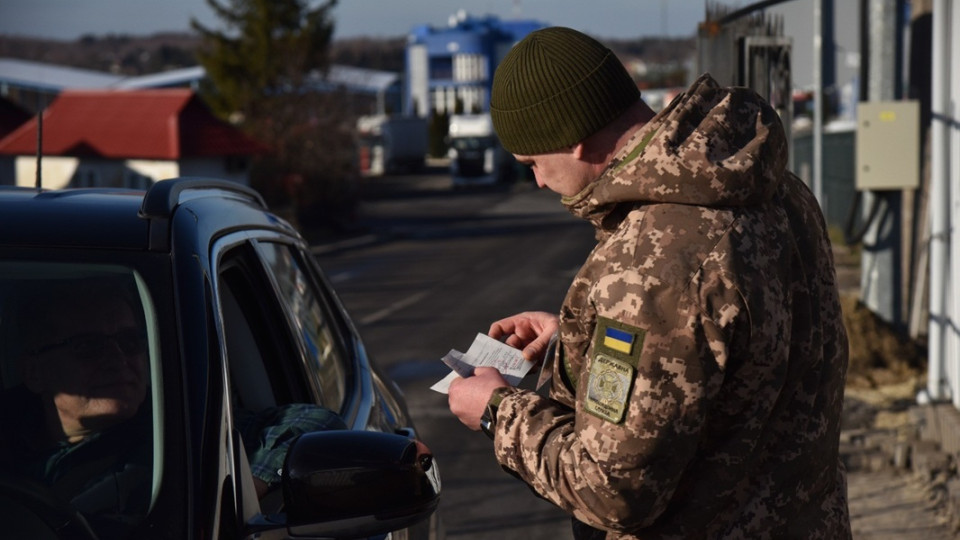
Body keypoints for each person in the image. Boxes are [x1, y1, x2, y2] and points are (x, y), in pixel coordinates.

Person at [446, 26, 851, 539]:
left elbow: (613, 489)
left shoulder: (650, 260)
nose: (539, 182)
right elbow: (734, 367)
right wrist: (582, 345)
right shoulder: (779, 190)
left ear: (571, 137)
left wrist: (496, 412)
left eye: (533, 163)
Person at [1, 278, 153, 537]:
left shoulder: (180, 438)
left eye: (129, 341)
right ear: (33, 372)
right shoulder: (9, 432)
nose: (118, 359)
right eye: (88, 347)